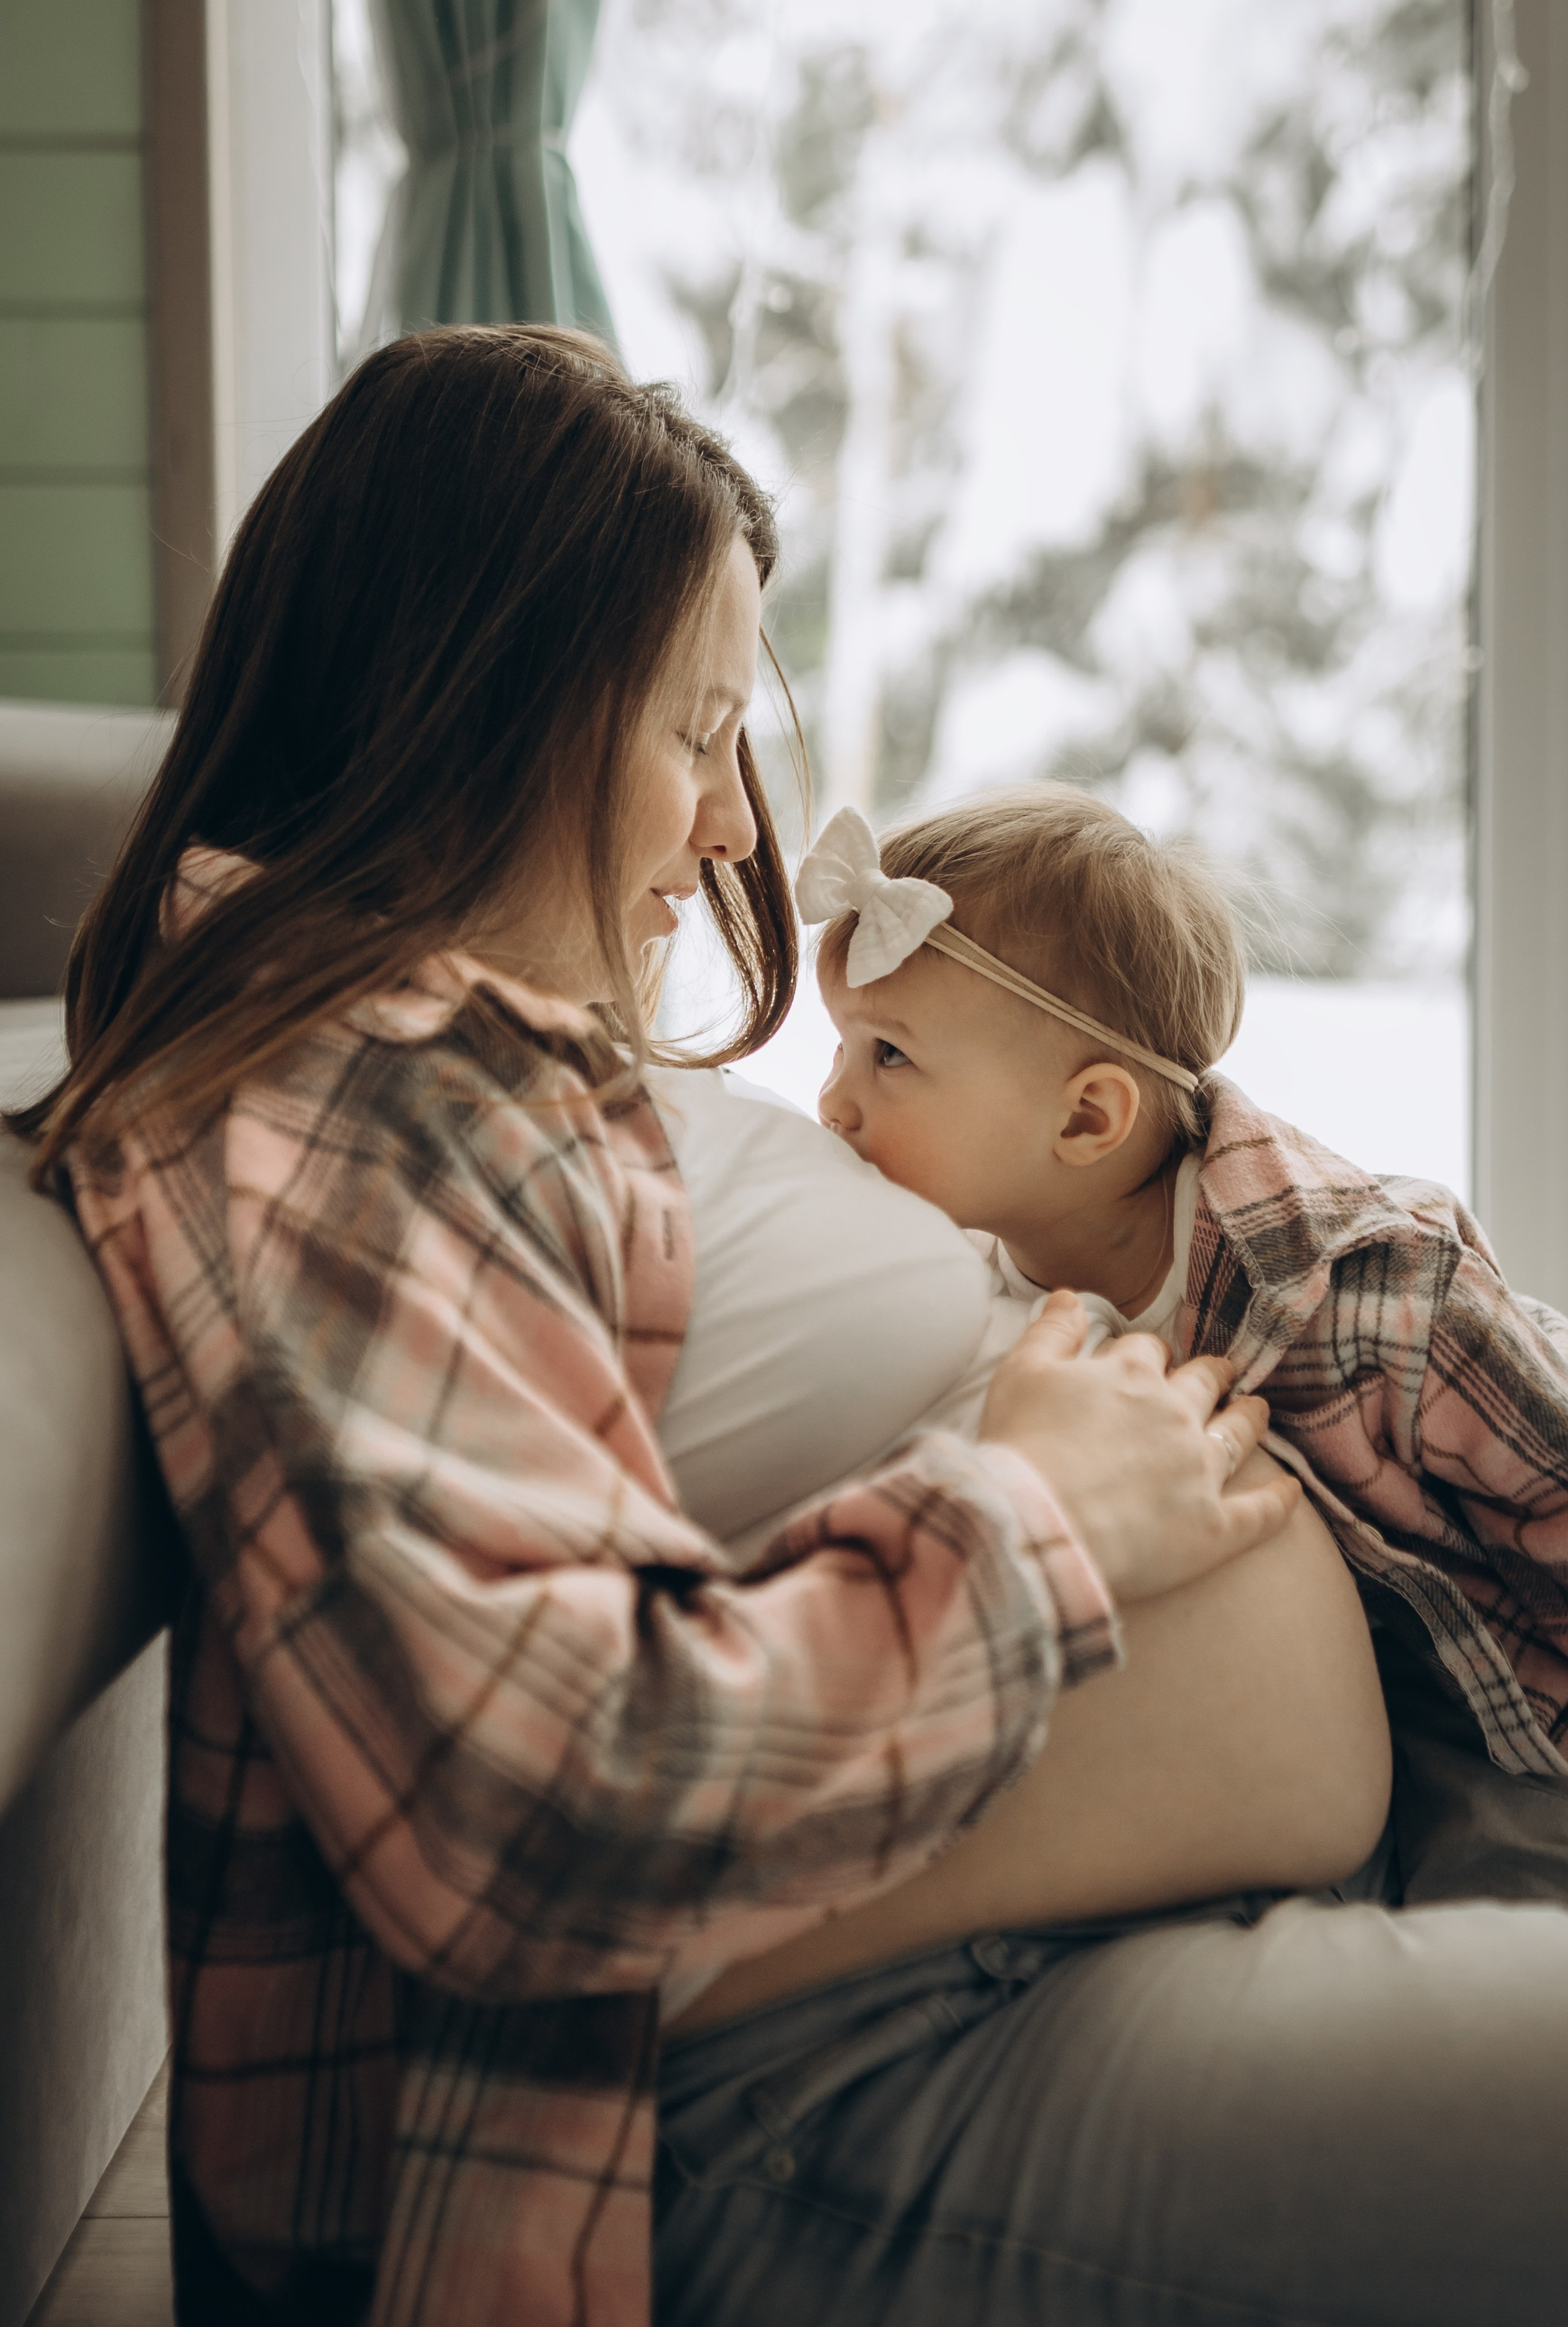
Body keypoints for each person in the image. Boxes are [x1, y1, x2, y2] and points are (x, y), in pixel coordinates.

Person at [10, 327, 1568, 2327]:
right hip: (815, 2085)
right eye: (694, 732)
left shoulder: (442, 1046)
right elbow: (531, 1803)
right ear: (491, 703)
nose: (737, 833)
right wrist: (1040, 1512)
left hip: (1014, 1953)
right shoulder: (337, 1087)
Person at [799, 788, 1568, 1780]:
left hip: (1518, 1709)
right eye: (842, 1046)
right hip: (1352, 1722)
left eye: (889, 1054)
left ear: (1086, 1121)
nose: (831, 1101)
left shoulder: (1382, 1294)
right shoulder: (957, 1278)